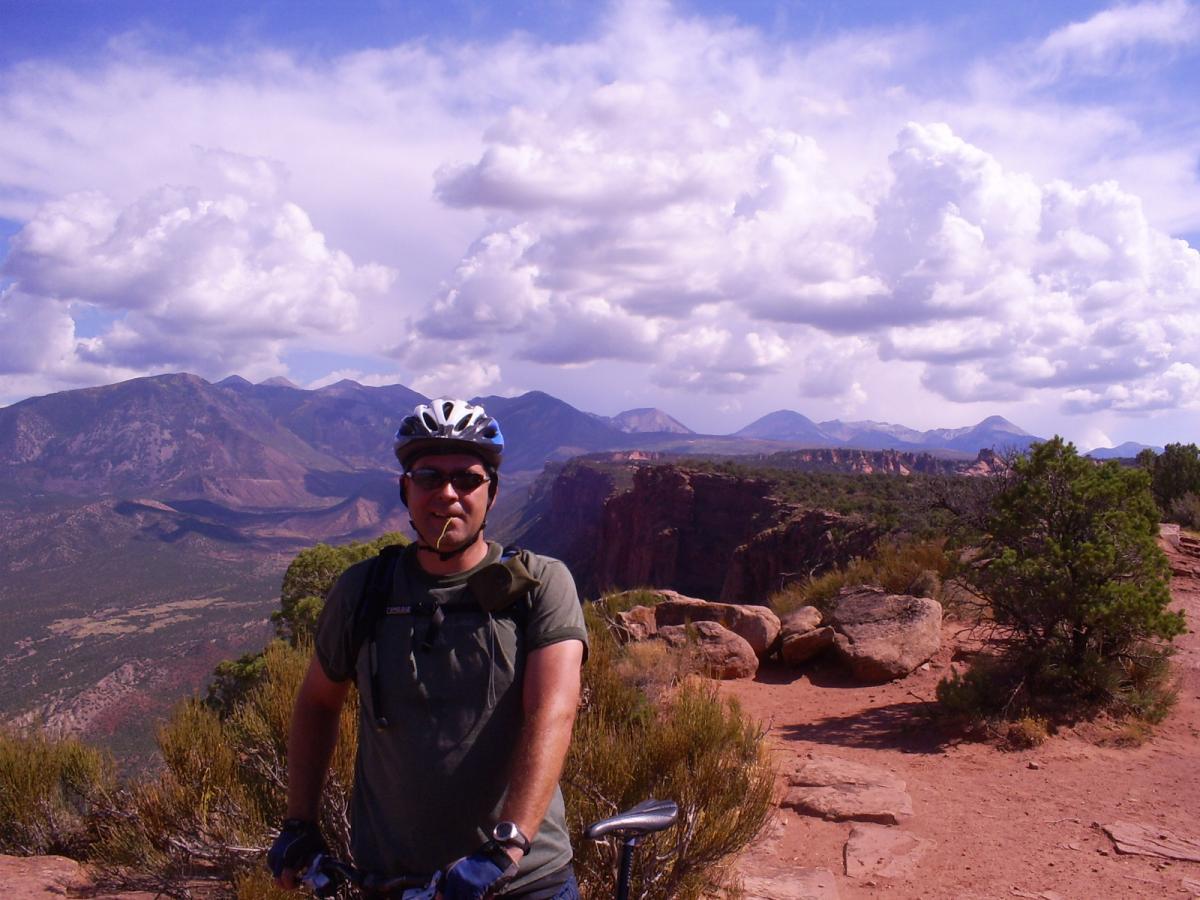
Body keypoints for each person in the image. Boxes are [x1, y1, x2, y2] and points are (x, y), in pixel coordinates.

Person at [268, 398, 588, 899]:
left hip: (523, 882)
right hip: (393, 880)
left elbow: (552, 712)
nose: (447, 494)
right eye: (428, 477)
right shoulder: (364, 591)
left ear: (494, 492)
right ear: (404, 489)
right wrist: (299, 822)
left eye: (467, 479)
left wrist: (507, 846)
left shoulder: (541, 585)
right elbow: (317, 701)